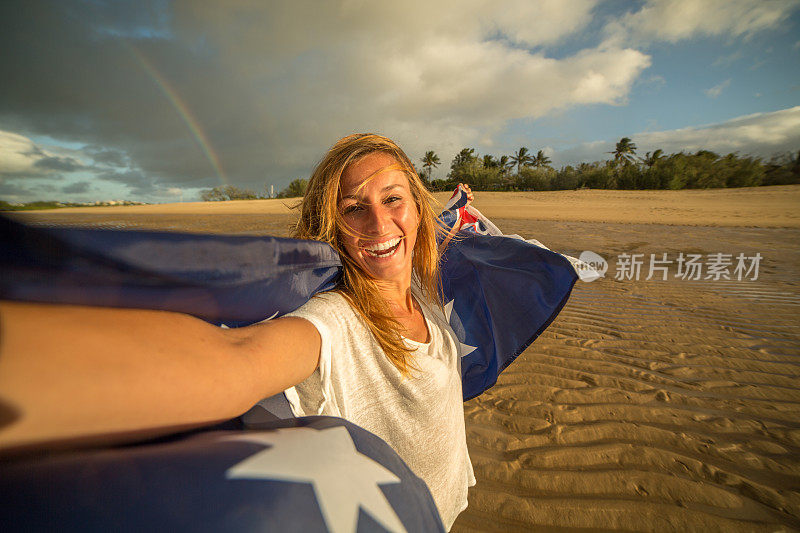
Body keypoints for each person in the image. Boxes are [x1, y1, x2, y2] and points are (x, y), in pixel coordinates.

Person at [0, 133, 476, 529]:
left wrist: (458, 204)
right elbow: (238, 357)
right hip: (395, 516)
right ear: (332, 227)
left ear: (417, 206)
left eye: (393, 198)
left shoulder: (422, 291)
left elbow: (430, 232)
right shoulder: (335, 319)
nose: (378, 222)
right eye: (353, 208)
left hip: (443, 507)